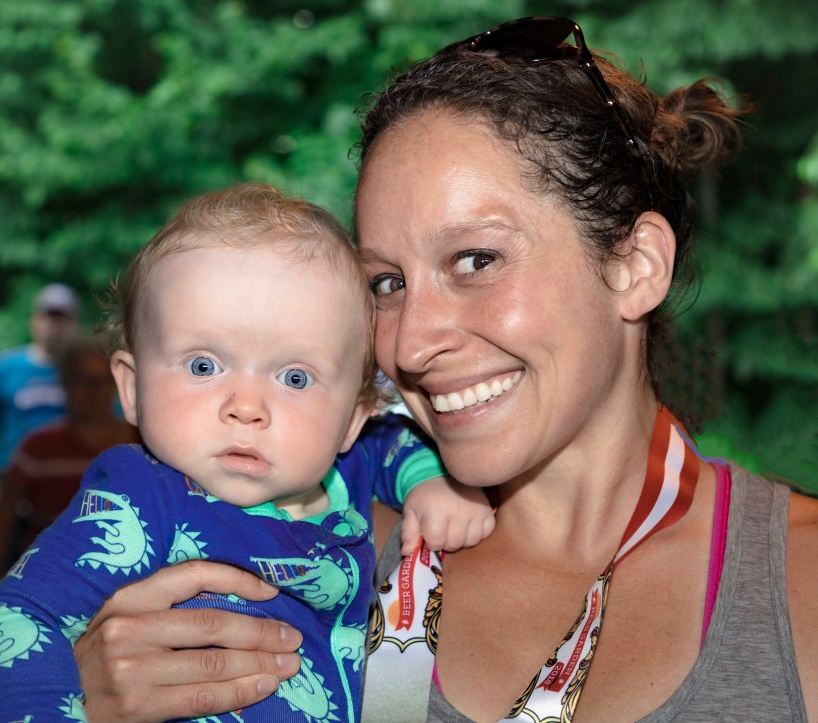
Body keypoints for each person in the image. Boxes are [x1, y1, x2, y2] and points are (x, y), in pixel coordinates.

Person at [66, 16, 818, 722]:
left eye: (476, 260)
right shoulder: (314, 544)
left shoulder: (797, 583)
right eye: (387, 282)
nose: (411, 345)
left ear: (634, 265)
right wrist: (78, 698)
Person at [0, 183, 493, 722]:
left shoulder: (350, 469)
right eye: (204, 366)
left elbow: (391, 443)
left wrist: (431, 482)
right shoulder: (141, 497)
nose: (246, 406)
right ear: (131, 387)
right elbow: (18, 620)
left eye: (295, 377)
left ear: (352, 419)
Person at [0, 334, 140, 591]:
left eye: (103, 380)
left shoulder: (141, 444)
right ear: (65, 382)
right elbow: (3, 520)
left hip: (124, 586)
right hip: (43, 584)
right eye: (84, 380)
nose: (95, 390)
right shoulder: (37, 448)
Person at [0, 283, 81, 514]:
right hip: (14, 485)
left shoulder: (85, 373)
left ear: (75, 325)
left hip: (70, 487)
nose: (54, 326)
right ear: (33, 321)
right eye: (48, 317)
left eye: (62, 319)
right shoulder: (5, 368)